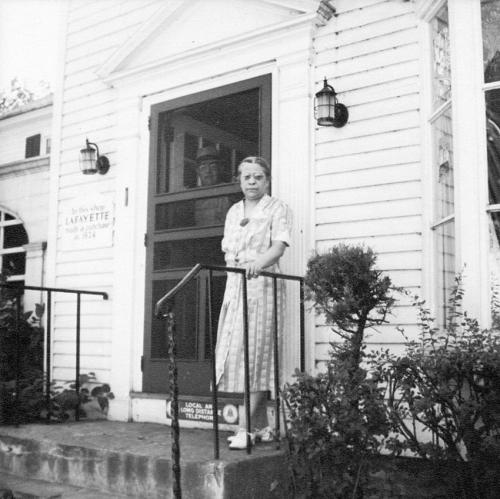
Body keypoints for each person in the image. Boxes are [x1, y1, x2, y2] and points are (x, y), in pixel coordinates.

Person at [214, 156, 293, 450]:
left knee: (258, 353)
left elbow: (278, 246)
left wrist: (257, 264)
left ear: (267, 180)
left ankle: (245, 428)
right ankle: (259, 426)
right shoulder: (234, 210)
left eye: (258, 177)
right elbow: (228, 250)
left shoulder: (277, 208)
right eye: (246, 177)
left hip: (262, 283)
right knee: (237, 353)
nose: (252, 182)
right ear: (239, 180)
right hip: (236, 285)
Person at [194, 146, 230, 226]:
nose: (208, 171)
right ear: (198, 171)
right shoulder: (193, 197)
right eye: (203, 167)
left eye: (213, 166)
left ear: (221, 168)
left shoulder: (229, 193)